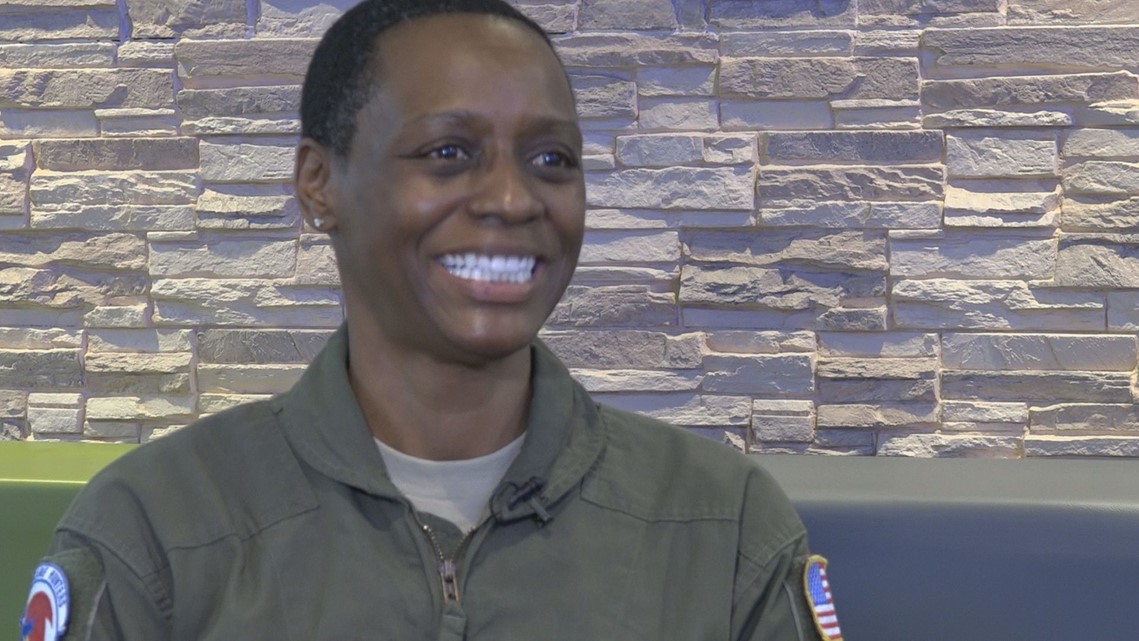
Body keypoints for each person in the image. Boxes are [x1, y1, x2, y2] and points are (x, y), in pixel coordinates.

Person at [19, 1, 842, 639]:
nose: (513, 199)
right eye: (448, 152)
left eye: (551, 159)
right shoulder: (154, 528)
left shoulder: (722, 525)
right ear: (319, 183)